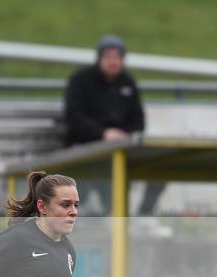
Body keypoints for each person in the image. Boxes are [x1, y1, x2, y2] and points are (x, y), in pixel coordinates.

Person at [64, 34, 163, 218]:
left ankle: (142, 216)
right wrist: (103, 134)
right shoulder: (81, 80)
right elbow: (74, 118)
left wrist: (124, 136)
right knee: (106, 173)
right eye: (108, 57)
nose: (113, 62)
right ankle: (112, 216)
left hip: (122, 149)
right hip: (86, 149)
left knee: (160, 171)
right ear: (100, 58)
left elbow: (139, 121)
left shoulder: (128, 82)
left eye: (117, 57)